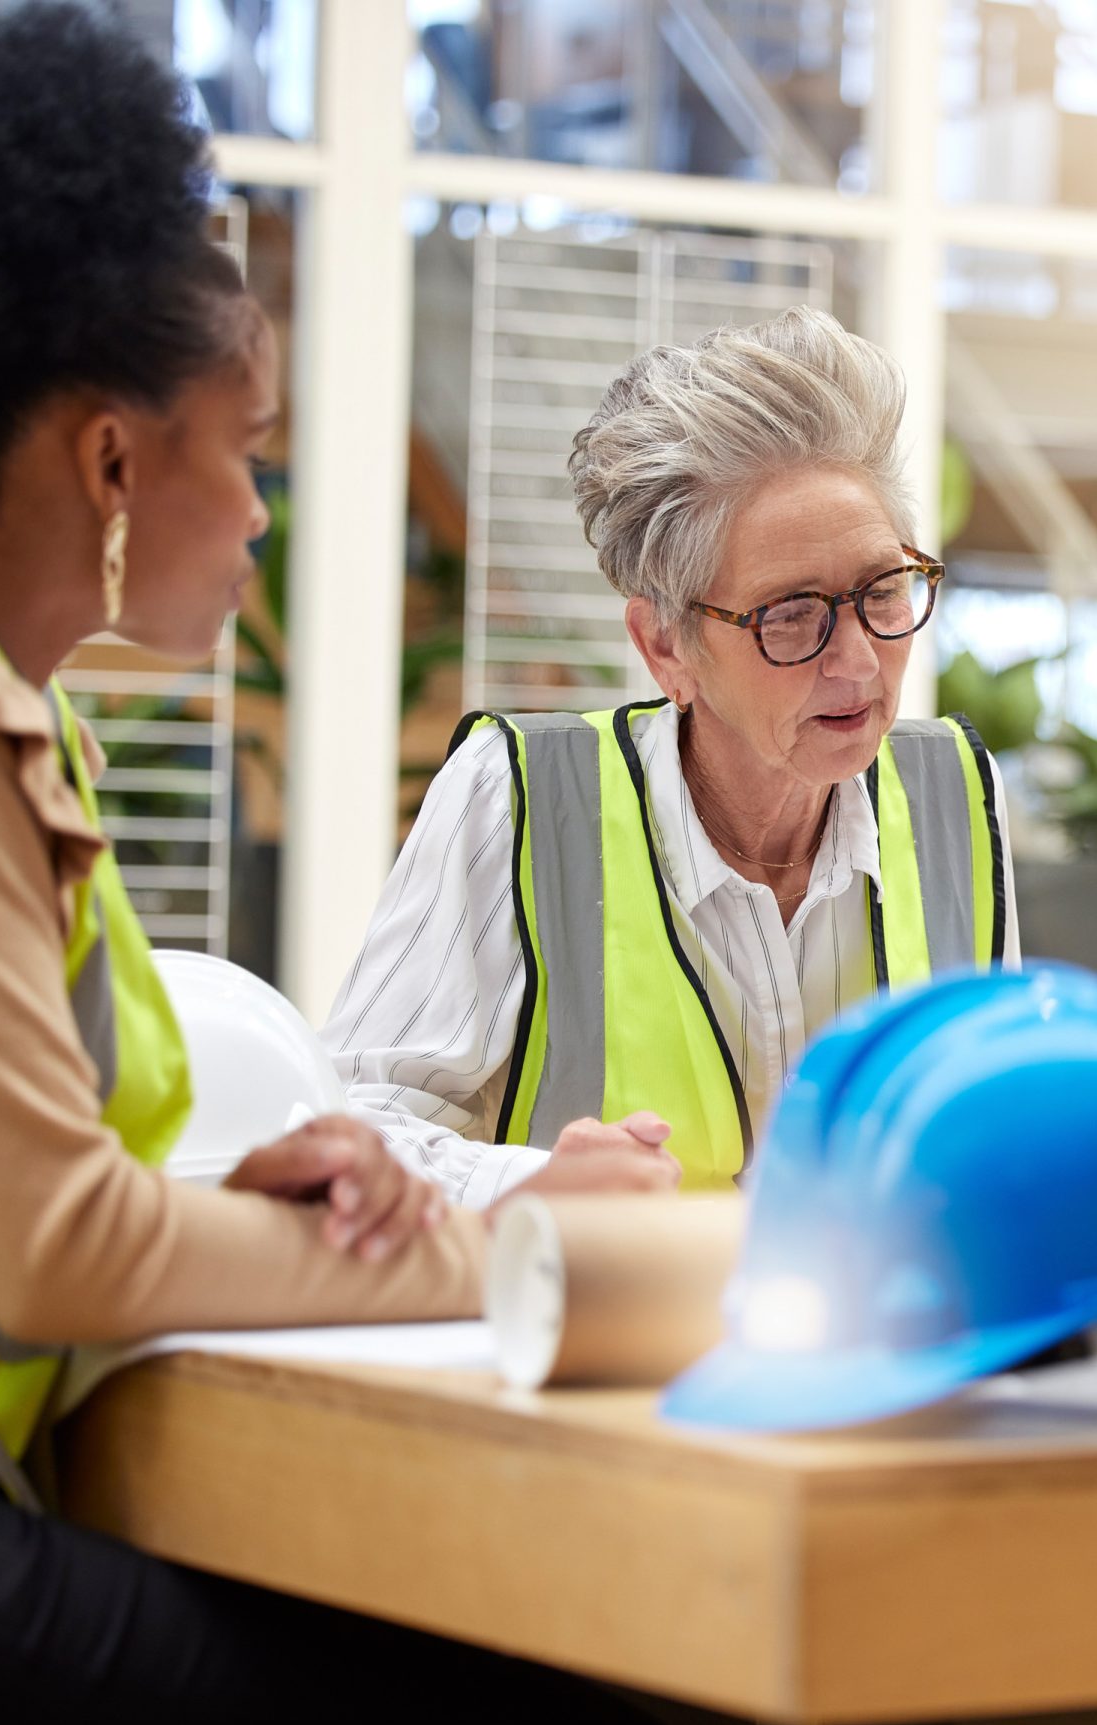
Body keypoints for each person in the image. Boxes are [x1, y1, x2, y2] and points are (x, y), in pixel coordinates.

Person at [0, 10, 698, 1725]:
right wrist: (501, 1241)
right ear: (113, 461)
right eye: (254, 453)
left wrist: (252, 1183)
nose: (266, 516)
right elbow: (56, 1250)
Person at [324, 308, 1022, 1204]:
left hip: (888, 1333)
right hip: (600, 1328)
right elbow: (350, 1121)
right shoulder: (525, 799)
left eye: (883, 592)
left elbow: (1004, 1111)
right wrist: (528, 1184)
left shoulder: (954, 794)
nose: (856, 661)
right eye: (792, 616)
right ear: (666, 648)